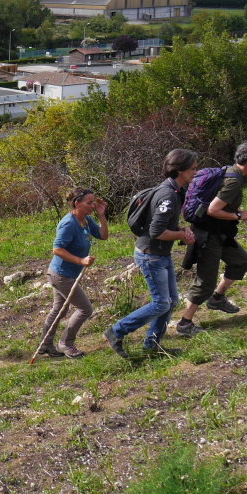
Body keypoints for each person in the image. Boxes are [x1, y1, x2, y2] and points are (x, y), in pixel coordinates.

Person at [105, 149, 199, 358]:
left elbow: (162, 225)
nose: (196, 171)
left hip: (159, 254)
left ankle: (152, 346)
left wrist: (182, 229)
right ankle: (116, 331)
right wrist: (181, 236)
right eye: (193, 168)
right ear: (180, 170)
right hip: (151, 255)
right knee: (160, 303)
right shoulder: (167, 194)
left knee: (171, 301)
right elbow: (157, 232)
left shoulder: (174, 190)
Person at [176, 142, 247, 336]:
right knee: (205, 281)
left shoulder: (231, 172)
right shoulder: (234, 180)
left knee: (241, 261)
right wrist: (238, 216)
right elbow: (213, 210)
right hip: (208, 235)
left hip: (219, 233)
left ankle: (217, 299)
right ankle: (185, 323)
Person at [36, 189, 108, 359]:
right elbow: (57, 249)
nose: (93, 206)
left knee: (59, 309)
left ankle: (45, 345)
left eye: (93, 202)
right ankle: (66, 343)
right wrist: (80, 261)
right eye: (89, 203)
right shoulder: (69, 224)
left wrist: (102, 216)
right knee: (85, 308)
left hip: (66, 274)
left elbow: (103, 236)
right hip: (61, 275)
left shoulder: (86, 220)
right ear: (77, 203)